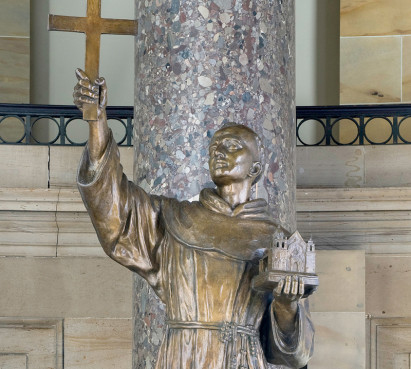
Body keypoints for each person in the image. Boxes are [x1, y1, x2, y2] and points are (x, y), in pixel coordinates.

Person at [74, 68, 314, 369]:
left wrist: (286, 306)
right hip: (183, 356)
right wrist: (97, 123)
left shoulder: (276, 239)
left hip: (242, 359)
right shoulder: (175, 219)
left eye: (231, 147)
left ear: (255, 170)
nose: (218, 153)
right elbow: (115, 207)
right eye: (214, 148)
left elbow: (296, 355)